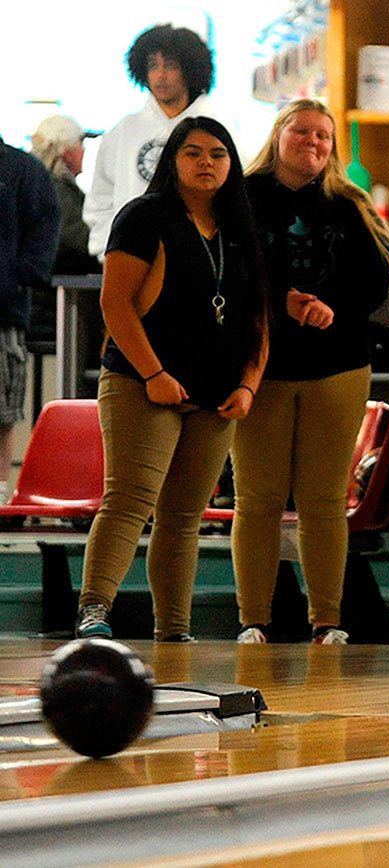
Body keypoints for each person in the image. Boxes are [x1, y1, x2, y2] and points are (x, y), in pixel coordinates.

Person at [75, 117, 268, 641]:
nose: (207, 162)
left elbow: (258, 319)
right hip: (143, 384)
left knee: (184, 517)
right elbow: (114, 303)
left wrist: (248, 384)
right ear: (172, 161)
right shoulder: (144, 216)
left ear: (232, 163)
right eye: (193, 152)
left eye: (218, 154)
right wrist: (154, 373)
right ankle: (94, 610)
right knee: (131, 500)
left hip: (217, 393)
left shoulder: (241, 225)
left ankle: (174, 631)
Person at [233, 99, 389, 646]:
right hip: (262, 367)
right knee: (258, 497)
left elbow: (376, 283)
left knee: (324, 498)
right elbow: (227, 276)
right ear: (278, 135)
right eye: (301, 131)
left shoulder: (351, 203)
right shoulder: (242, 199)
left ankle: (328, 620)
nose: (314, 142)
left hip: (338, 365)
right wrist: (284, 303)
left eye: (323, 136)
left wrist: (331, 307)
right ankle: (253, 618)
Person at [85, 24, 217, 259]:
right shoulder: (123, 131)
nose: (160, 75)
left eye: (171, 66)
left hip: (201, 259)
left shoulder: (216, 129)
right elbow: (100, 201)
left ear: (190, 70)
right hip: (131, 259)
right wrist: (109, 251)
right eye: (152, 65)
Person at [0, 134, 58, 502]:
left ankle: (0, 496)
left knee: (1, 415)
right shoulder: (24, 170)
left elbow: (44, 231)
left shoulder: (22, 170)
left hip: (2, 312)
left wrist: (17, 279)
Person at [31, 115, 99, 276]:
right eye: (80, 144)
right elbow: (80, 240)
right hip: (57, 290)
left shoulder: (38, 184)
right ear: (67, 153)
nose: (83, 150)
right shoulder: (56, 190)